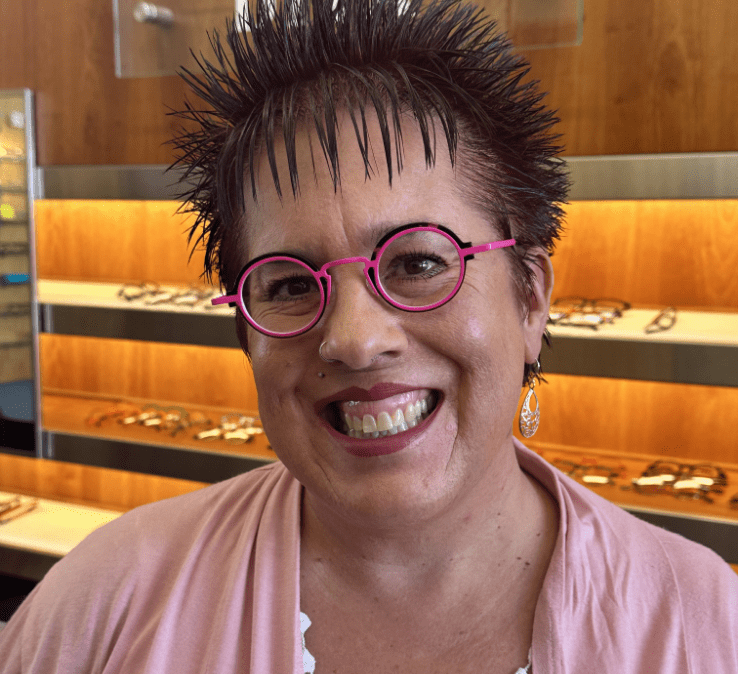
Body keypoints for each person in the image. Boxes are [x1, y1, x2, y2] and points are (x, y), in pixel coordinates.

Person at [1, 0, 737, 671]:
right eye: (289, 284)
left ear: (531, 297)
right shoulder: (108, 604)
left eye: (418, 262)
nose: (354, 339)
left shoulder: (702, 627)